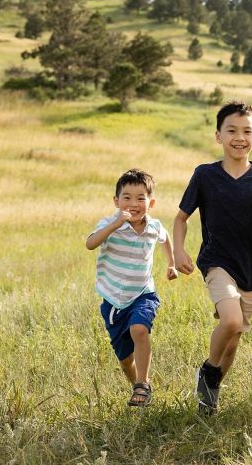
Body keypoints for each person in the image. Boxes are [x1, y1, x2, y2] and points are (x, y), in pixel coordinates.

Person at [170, 101, 252, 414]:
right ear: (218, 135)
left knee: (233, 340)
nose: (239, 137)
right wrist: (179, 250)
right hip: (217, 261)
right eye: (231, 130)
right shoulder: (205, 175)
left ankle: (210, 395)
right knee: (231, 321)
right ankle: (208, 369)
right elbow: (181, 218)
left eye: (247, 131)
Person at [85, 168, 177, 407]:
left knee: (139, 329)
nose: (133, 203)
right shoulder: (109, 223)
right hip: (114, 301)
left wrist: (172, 263)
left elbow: (165, 239)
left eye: (140, 198)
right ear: (116, 201)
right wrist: (115, 224)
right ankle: (137, 384)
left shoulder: (154, 226)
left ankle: (142, 384)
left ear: (151, 202)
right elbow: (90, 243)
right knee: (126, 360)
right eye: (126, 197)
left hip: (142, 294)